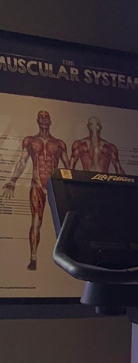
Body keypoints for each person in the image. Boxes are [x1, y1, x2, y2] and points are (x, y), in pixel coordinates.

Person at [2, 111, 70, 271]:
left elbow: (68, 168)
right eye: (41, 117)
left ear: (50, 121)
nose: (44, 120)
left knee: (64, 223)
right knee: (36, 222)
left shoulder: (59, 144)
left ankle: (67, 258)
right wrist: (12, 180)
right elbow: (22, 162)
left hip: (54, 185)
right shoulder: (30, 141)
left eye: (47, 118)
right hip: (37, 184)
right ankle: (33, 257)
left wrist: (72, 188)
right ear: (37, 120)